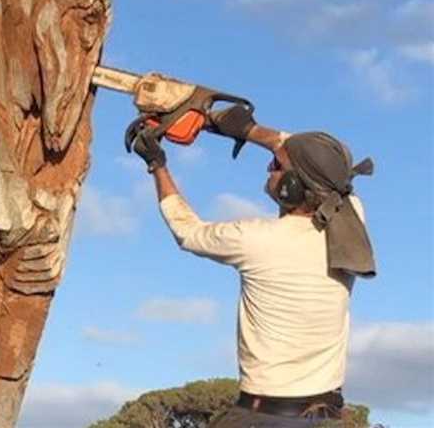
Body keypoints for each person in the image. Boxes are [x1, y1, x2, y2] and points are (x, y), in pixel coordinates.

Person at [124, 104, 375, 427]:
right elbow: (325, 162)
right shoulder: (350, 218)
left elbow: (187, 230)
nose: (269, 168)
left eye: (275, 165)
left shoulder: (255, 239)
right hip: (327, 418)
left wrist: (156, 164)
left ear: (293, 186)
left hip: (261, 417)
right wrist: (241, 129)